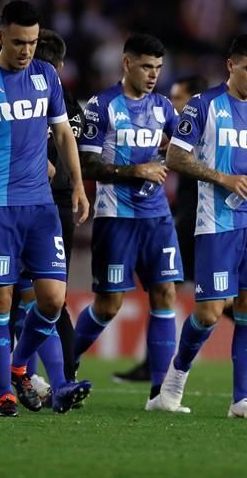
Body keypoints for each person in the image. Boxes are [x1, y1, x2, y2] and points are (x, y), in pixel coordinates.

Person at [0, 0, 91, 417]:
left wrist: (79, 185)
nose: (26, 50)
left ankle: (19, 364)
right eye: (18, 42)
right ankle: (6, 391)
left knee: (51, 299)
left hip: (42, 206)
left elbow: (63, 134)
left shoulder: (47, 76)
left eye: (32, 41)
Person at [112, 75, 247, 388]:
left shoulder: (209, 118)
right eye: (171, 99)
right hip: (195, 219)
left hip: (199, 221)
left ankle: (159, 367)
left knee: (183, 290)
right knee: (204, 297)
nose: (173, 105)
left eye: (178, 98)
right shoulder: (187, 129)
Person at [158, 34, 247, 420]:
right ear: (231, 65)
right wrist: (223, 179)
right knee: (211, 312)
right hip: (216, 223)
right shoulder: (203, 105)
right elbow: (175, 157)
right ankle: (175, 378)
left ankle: (241, 401)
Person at [73, 33, 185, 412]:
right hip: (116, 216)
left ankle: (159, 394)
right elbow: (87, 165)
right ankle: (65, 363)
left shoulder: (164, 107)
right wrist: (136, 169)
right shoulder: (101, 107)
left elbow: (185, 148)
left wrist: (179, 153)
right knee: (108, 306)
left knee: (166, 294)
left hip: (157, 217)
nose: (153, 75)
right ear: (127, 64)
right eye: (145, 66)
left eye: (158, 68)